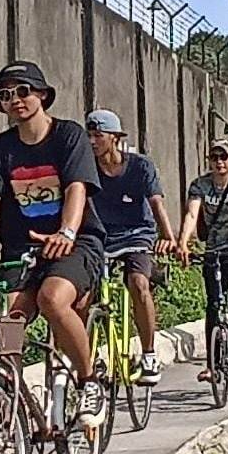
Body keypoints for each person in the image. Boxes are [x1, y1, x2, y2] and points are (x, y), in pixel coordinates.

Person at [0, 61, 108, 428]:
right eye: (6, 95)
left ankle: (88, 381)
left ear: (42, 95)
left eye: (23, 91)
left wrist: (66, 233)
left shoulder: (68, 136)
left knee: (52, 299)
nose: (15, 100)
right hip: (21, 246)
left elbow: (76, 189)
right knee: (9, 321)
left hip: (76, 242)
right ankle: (10, 407)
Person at [86, 109, 177, 386]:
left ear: (114, 138)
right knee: (81, 290)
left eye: (98, 136)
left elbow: (156, 203)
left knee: (138, 283)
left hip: (137, 233)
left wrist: (168, 237)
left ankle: (149, 354)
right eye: (88, 135)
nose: (92, 141)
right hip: (100, 235)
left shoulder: (140, 167)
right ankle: (83, 359)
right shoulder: (85, 167)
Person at [177, 139, 228, 382]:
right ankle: (213, 366)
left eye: (224, 157)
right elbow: (192, 213)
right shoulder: (200, 184)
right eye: (214, 157)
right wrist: (183, 242)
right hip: (213, 247)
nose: (219, 162)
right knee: (213, 304)